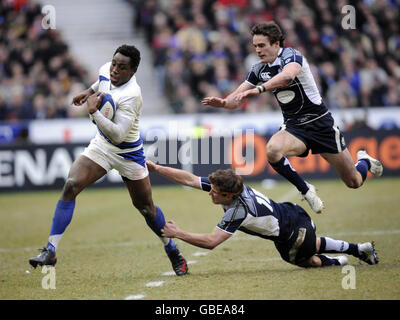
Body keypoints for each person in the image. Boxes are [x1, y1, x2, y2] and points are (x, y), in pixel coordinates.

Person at [29, 45, 188, 276]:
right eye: (114, 63)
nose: (114, 69)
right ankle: (51, 250)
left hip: (128, 153)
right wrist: (87, 91)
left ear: (133, 71)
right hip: (102, 146)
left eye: (122, 67)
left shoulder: (133, 95)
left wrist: (92, 112)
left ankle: (171, 249)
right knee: (71, 185)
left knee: (145, 208)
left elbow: (119, 135)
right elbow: (101, 83)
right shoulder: (106, 69)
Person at [201, 21, 383, 214]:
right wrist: (222, 103)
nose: (257, 50)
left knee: (353, 181)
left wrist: (259, 89)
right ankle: (306, 189)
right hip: (294, 128)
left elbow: (287, 77)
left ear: (276, 44)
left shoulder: (291, 55)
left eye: (262, 45)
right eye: (255, 46)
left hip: (320, 123)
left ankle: (363, 160)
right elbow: (236, 99)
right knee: (272, 150)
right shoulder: (258, 69)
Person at [146, 160, 379, 268]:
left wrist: (178, 233)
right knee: (312, 243)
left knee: (304, 260)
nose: (210, 193)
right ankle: (359, 249)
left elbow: (211, 242)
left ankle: (338, 262)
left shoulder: (238, 210)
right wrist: (157, 169)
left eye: (215, 192)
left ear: (228, 196)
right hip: (293, 214)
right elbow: (189, 179)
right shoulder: (233, 186)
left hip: (291, 234)